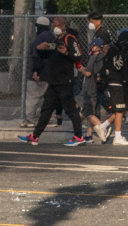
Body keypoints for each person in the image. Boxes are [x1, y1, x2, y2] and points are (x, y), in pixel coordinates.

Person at [21, 17, 87, 146]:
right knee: (46, 109)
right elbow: (46, 55)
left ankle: (79, 137)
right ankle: (35, 136)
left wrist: (66, 52)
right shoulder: (54, 41)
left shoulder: (70, 39)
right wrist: (40, 49)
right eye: (54, 26)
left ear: (64, 26)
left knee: (70, 109)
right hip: (53, 82)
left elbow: (78, 54)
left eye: (58, 25)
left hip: (64, 81)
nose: (56, 28)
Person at [89, 27, 128, 146]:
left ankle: (103, 126)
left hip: (116, 81)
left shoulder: (113, 48)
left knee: (126, 108)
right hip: (118, 82)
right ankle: (117, 136)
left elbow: (106, 64)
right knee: (120, 109)